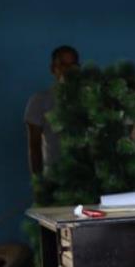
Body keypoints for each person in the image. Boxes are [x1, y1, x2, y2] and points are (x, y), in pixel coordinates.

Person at [25, 45, 79, 175]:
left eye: (72, 65)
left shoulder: (89, 100)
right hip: (55, 176)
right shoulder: (39, 101)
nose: (68, 70)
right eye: (63, 65)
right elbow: (34, 146)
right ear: (53, 69)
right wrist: (38, 182)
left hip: (86, 178)